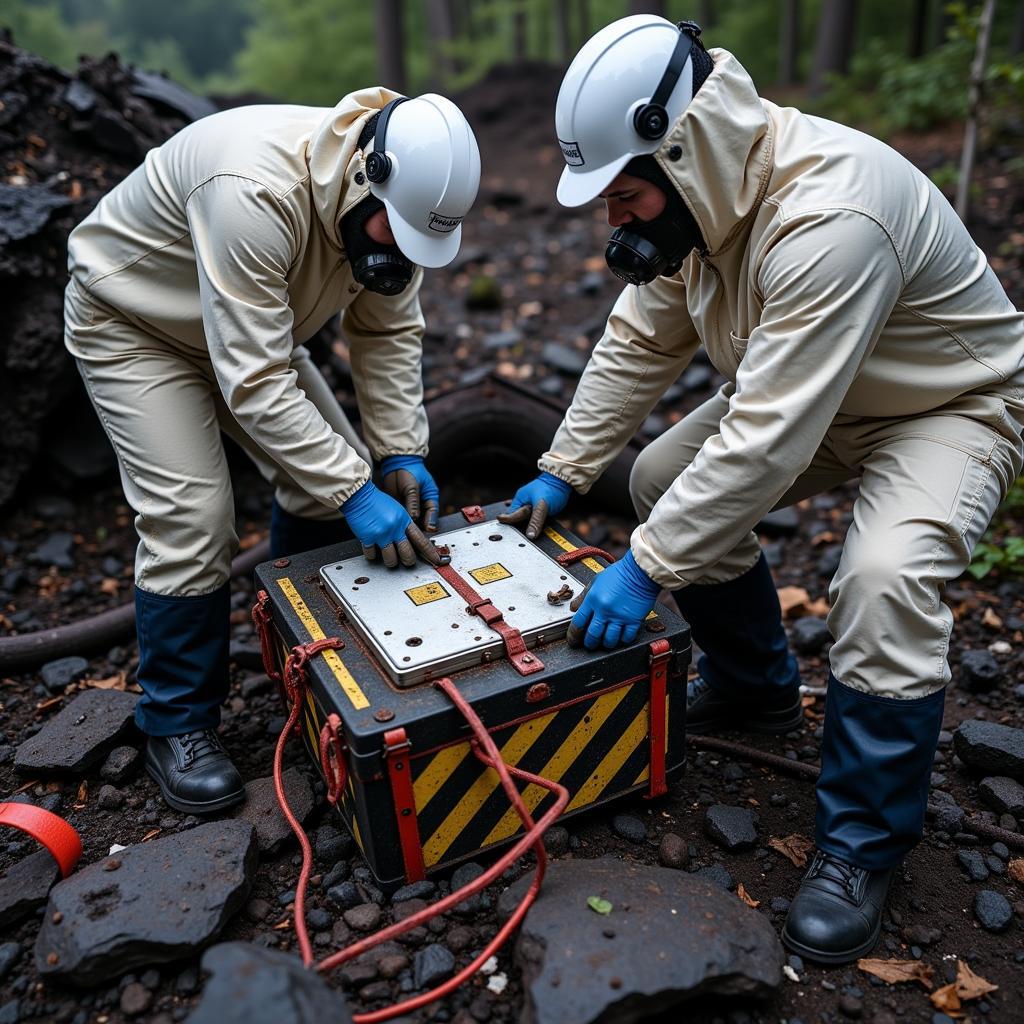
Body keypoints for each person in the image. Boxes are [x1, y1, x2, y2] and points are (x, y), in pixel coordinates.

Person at [502, 15, 1024, 964]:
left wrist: (644, 568)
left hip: (945, 402)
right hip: (816, 390)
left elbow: (765, 440)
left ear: (678, 149)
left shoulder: (831, 216)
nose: (612, 218)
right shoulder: (697, 203)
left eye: (621, 195)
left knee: (883, 575)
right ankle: (755, 688)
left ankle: (863, 845)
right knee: (660, 477)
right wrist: (563, 469)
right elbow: (638, 341)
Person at [65, 89, 481, 815]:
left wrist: (400, 454)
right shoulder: (254, 191)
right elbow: (255, 382)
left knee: (328, 480)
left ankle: (303, 651)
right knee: (193, 518)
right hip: (135, 321)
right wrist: (358, 493)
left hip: (247, 333)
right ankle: (177, 724)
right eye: (396, 234)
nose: (400, 253)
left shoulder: (392, 214)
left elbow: (384, 336)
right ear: (366, 175)